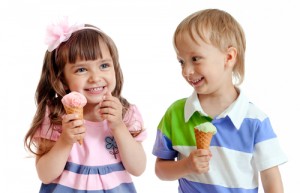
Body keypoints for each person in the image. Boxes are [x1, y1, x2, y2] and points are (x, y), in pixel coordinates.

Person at [152, 9, 287, 193]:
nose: (186, 71)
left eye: (195, 59)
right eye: (181, 62)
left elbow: (272, 182)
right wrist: (186, 166)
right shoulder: (176, 113)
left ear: (229, 57)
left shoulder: (255, 121)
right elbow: (160, 169)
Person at [24, 17, 147, 193]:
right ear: (62, 79)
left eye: (104, 65)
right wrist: (65, 140)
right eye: (81, 69)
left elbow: (138, 168)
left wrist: (119, 127)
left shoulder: (126, 113)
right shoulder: (55, 115)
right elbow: (45, 174)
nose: (95, 77)